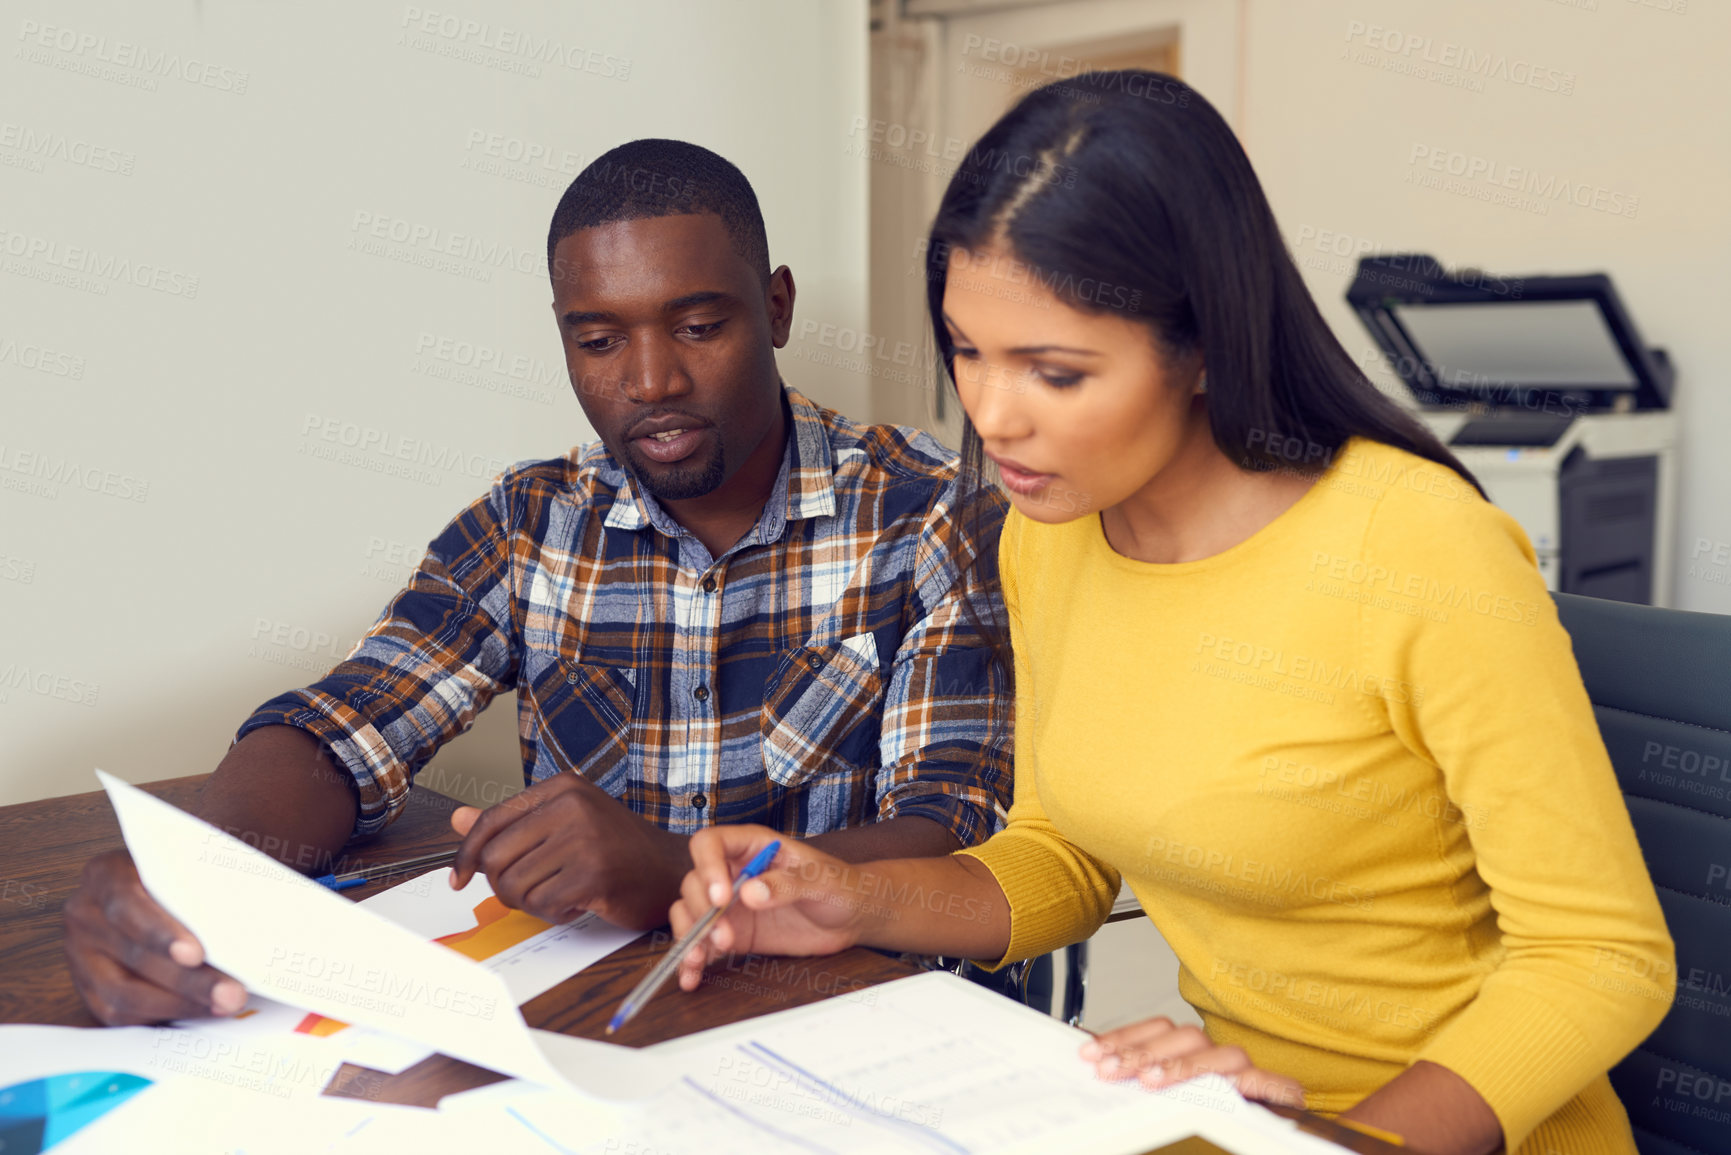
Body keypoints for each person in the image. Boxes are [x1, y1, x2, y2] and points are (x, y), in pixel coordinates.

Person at [668, 74, 1674, 1155]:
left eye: (1055, 372)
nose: (992, 416)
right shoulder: (1048, 535)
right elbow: (1060, 858)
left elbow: (1601, 958)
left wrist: (1337, 1144)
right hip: (1231, 1109)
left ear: (1200, 348)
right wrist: (856, 902)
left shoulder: (1421, 550)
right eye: (967, 349)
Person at [61, 139, 1011, 1027]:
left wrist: (672, 868)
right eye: (597, 341)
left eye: (697, 325)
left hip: (850, 1021)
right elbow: (349, 723)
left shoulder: (933, 514)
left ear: (777, 307)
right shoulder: (530, 520)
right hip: (593, 1022)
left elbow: (951, 829)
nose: (650, 380)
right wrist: (193, 872)